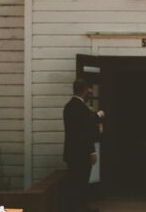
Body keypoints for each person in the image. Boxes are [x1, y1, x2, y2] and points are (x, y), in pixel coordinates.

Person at [63, 78, 101, 212]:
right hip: (81, 153)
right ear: (84, 90)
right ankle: (80, 207)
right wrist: (92, 152)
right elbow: (85, 131)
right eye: (88, 91)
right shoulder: (80, 108)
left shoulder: (68, 106)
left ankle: (76, 207)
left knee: (74, 182)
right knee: (81, 182)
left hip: (71, 152)